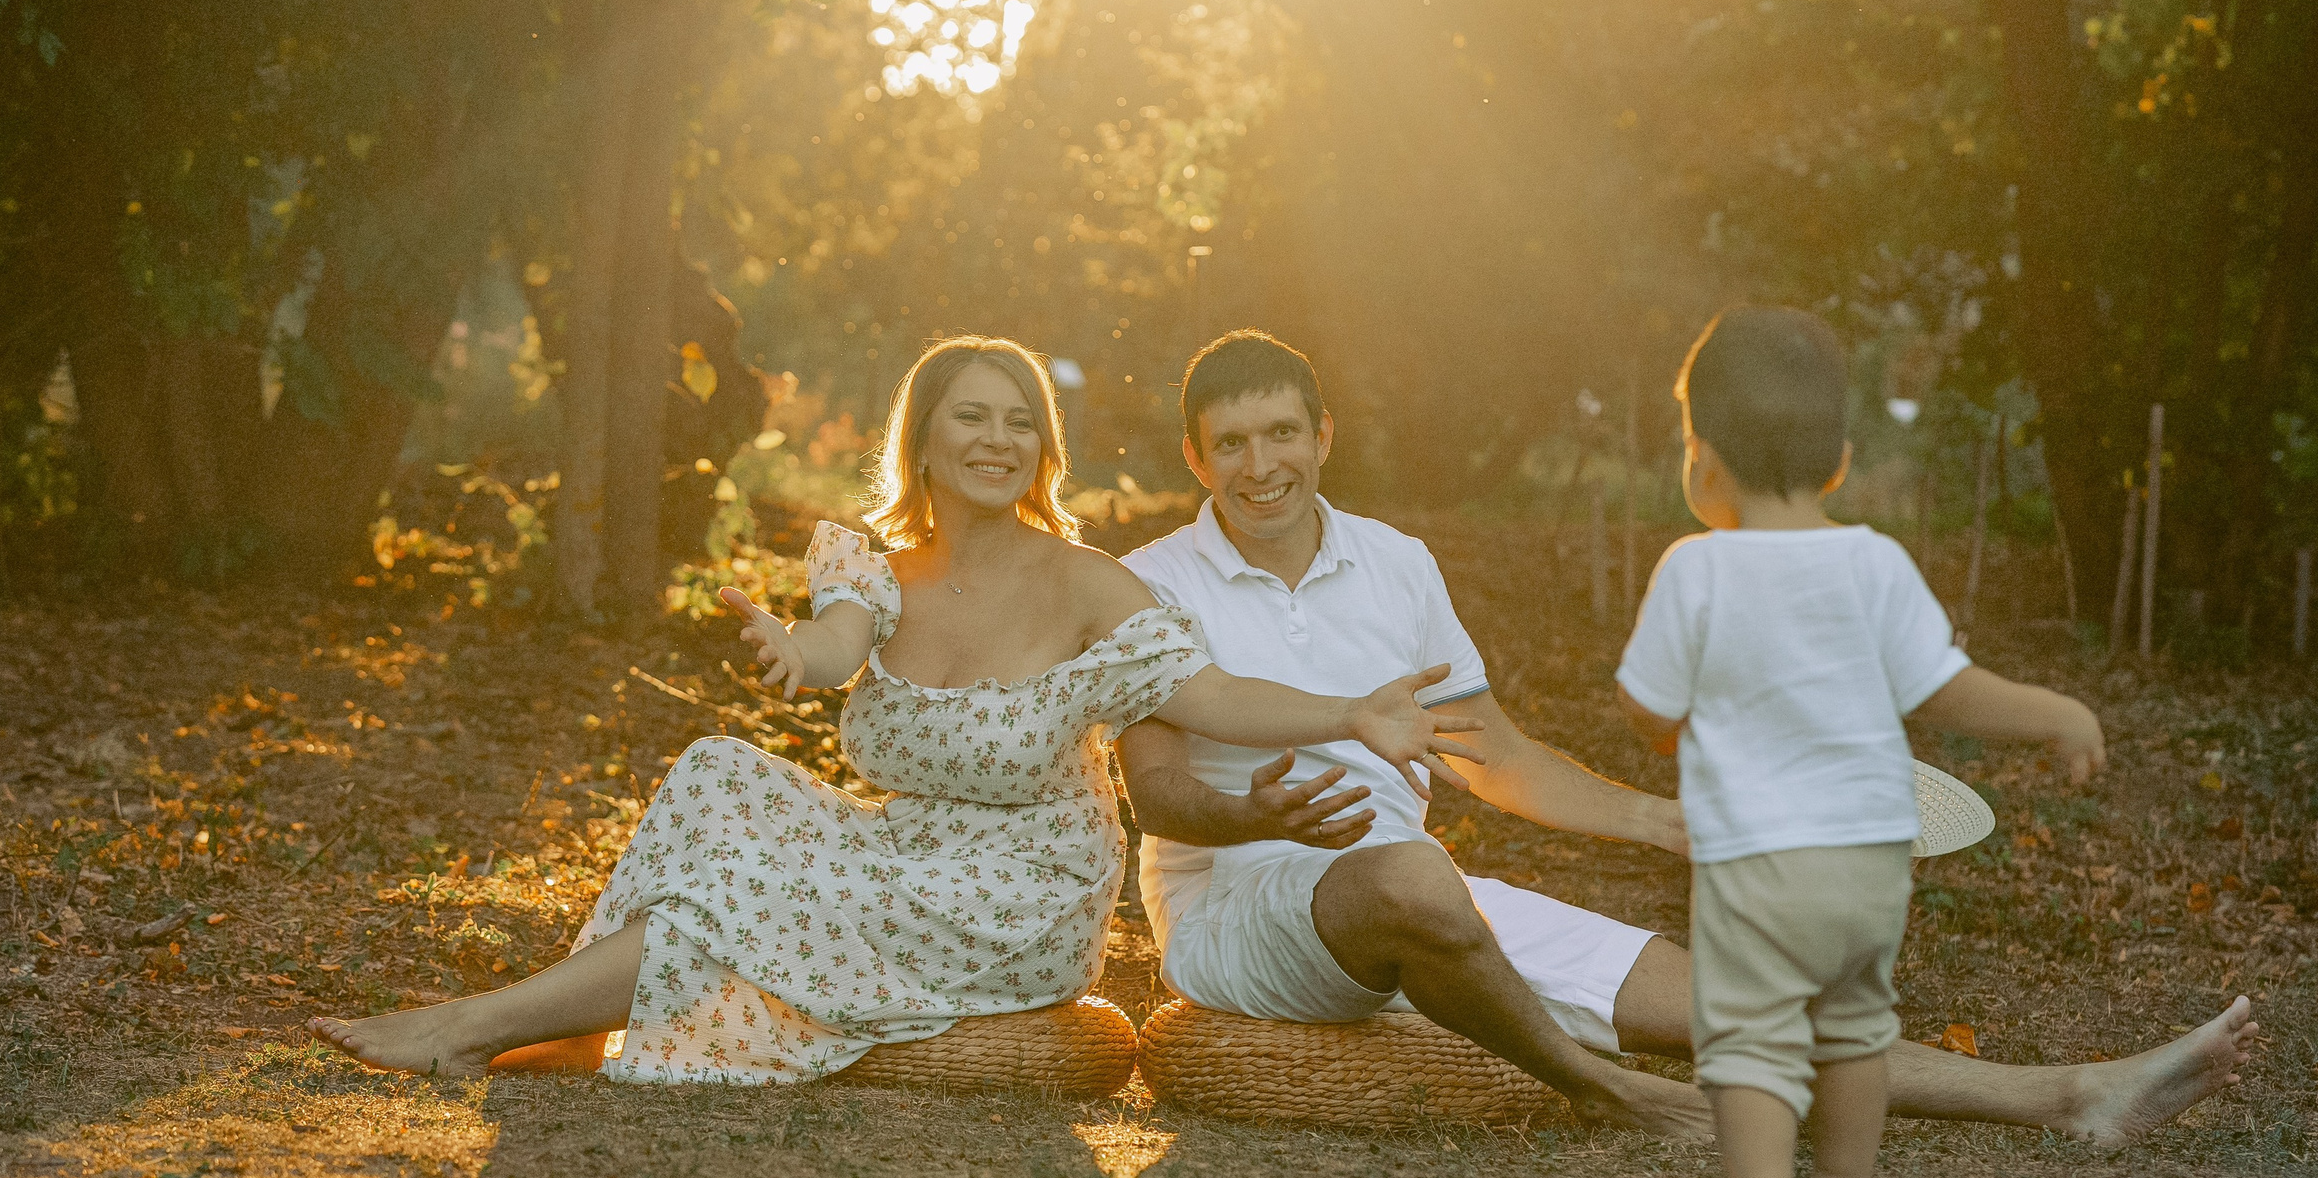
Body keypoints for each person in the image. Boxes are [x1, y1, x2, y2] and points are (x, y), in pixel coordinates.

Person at [1115, 329, 2256, 1148]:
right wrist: (1252, 811)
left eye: (1280, 433)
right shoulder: (1146, 584)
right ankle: (1607, 1093)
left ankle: (2072, 1097)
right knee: (1417, 873)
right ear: (1194, 459)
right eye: (1230, 444)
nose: (1259, 465)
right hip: (1239, 916)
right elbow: (1156, 795)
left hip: (1419, 892)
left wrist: (1664, 821)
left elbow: (1495, 757)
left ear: (1324, 432)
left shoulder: (1397, 561)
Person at [308, 336, 1479, 1083]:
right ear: (922, 437)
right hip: (902, 848)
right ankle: (551, 1018)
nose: (998, 438)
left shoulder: (1087, 583)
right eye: (972, 416)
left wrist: (1349, 714)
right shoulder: (875, 569)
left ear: (1043, 447)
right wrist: (786, 647)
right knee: (720, 772)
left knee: (762, 882)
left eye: (1020, 420)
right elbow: (833, 650)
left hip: (1019, 886)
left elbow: (1212, 692)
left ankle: (481, 1022)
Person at [1614, 308, 2107, 1178]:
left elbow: (1647, 708)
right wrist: (2053, 710)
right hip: (1873, 861)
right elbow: (1944, 692)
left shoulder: (1694, 570)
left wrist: (1679, 725)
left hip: (1757, 865)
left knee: (1749, 1036)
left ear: (1702, 461)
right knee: (1853, 1026)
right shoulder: (1875, 563)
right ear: (1838, 459)